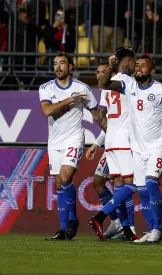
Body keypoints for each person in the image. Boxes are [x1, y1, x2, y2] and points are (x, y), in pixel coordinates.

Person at [98, 53, 162, 243]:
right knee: (142, 190)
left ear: (152, 71)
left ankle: (157, 229)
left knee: (150, 184)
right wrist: (111, 66)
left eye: (143, 66)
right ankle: (150, 231)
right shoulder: (129, 85)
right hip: (137, 150)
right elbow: (105, 85)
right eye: (137, 65)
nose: (138, 68)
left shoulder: (160, 90)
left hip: (157, 146)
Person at [38, 53, 107, 240]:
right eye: (55, 64)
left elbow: (97, 114)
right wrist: (70, 100)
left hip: (74, 138)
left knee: (65, 176)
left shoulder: (82, 88)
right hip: (54, 141)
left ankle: (70, 222)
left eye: (62, 63)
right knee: (59, 183)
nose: (58, 67)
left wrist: (110, 131)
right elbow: (47, 111)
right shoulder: (45, 88)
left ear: (71, 66)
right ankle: (66, 225)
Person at [87, 47, 140, 241]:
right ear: (127, 63)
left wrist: (101, 139)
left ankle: (126, 230)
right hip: (126, 140)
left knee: (118, 185)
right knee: (133, 184)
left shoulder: (105, 89)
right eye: (134, 62)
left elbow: (100, 116)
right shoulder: (128, 82)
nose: (136, 66)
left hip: (110, 140)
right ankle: (100, 217)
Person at [84, 61, 123, 239]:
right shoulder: (104, 92)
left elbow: (114, 124)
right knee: (98, 182)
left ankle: (125, 225)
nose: (100, 75)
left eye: (103, 72)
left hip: (120, 143)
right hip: (110, 143)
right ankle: (116, 221)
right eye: (98, 72)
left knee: (121, 184)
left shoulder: (118, 89)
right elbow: (109, 125)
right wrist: (96, 144)